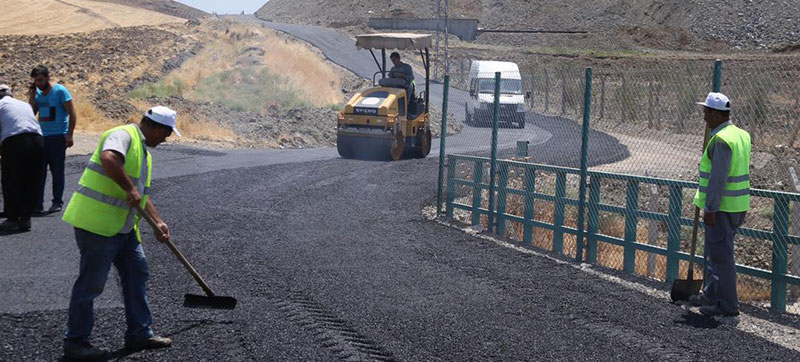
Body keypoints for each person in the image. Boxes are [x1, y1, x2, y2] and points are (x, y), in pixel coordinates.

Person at [61, 106, 181, 360]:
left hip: (124, 229)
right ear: (157, 127)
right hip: (97, 226)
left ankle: (139, 333)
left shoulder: (145, 154)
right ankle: (76, 342)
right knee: (91, 285)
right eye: (167, 133)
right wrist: (129, 188)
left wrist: (158, 222)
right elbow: (109, 159)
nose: (166, 138)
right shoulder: (122, 135)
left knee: (137, 274)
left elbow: (141, 195)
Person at [689, 92, 751, 317]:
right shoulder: (740, 135)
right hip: (737, 206)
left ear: (716, 114)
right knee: (717, 254)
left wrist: (711, 208)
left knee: (722, 258)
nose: (704, 116)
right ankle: (710, 295)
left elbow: (718, 178)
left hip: (722, 208)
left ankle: (728, 305)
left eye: (706, 112)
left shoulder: (722, 140)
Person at [29, 65, 77, 214]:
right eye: (36, 81)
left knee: (57, 172)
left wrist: (69, 135)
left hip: (58, 137)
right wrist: (31, 97)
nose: (38, 83)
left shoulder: (60, 91)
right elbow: (31, 114)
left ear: (48, 77)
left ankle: (57, 202)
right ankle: (37, 204)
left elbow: (72, 114)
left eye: (41, 80)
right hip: (42, 137)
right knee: (39, 172)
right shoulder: (37, 93)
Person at [0, 84, 45, 232]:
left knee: (12, 179)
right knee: (31, 179)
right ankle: (26, 218)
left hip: (16, 141)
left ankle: (12, 219)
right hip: (38, 141)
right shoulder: (23, 104)